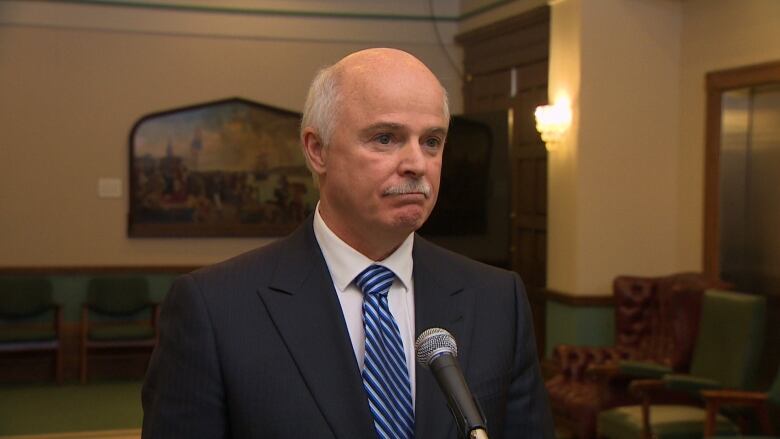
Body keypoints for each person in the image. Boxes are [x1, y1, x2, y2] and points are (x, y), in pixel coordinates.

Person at [141, 48, 554, 439]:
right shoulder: (215, 309)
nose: (416, 163)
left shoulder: (499, 300)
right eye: (386, 138)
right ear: (317, 150)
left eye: (432, 141)